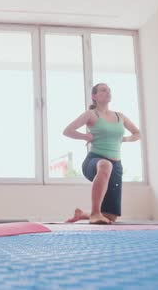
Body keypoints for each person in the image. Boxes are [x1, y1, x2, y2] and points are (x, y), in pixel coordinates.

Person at [63, 83, 140, 224]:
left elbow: (137, 133)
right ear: (94, 96)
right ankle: (95, 213)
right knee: (105, 165)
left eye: (109, 90)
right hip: (95, 161)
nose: (108, 92)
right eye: (103, 90)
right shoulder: (91, 114)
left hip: (116, 166)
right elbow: (67, 131)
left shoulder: (120, 116)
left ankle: (84, 214)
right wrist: (86, 137)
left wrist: (125, 139)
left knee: (110, 217)